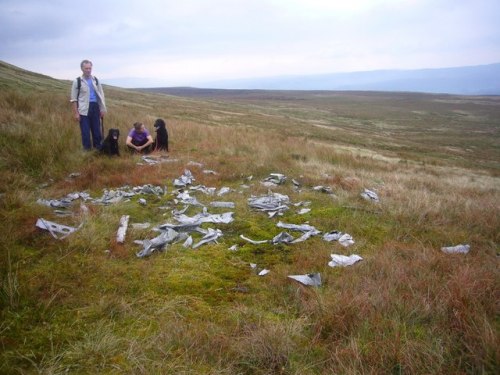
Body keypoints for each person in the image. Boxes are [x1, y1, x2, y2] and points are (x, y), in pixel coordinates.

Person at [70, 59, 107, 150]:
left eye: (90, 68)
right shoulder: (77, 81)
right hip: (83, 109)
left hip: (95, 107)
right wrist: (76, 113)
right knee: (85, 132)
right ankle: (87, 151)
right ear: (82, 69)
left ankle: (98, 149)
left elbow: (101, 95)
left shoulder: (96, 80)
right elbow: (74, 99)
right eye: (86, 68)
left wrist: (102, 109)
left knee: (96, 131)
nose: (88, 70)